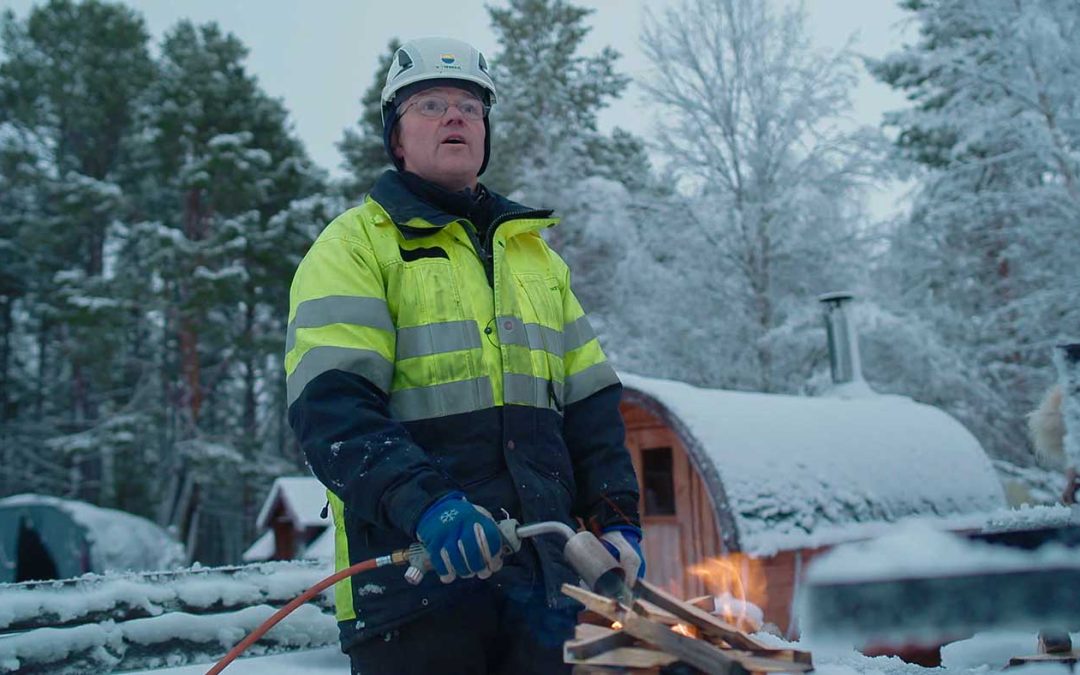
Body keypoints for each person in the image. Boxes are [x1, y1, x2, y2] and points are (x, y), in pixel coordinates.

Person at [284, 36, 644, 674]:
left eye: (470, 107)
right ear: (397, 138)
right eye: (430, 104)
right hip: (414, 599)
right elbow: (333, 412)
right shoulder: (354, 247)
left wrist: (616, 518)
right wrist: (429, 507)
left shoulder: (537, 261)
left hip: (542, 593)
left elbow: (591, 406)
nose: (455, 116)